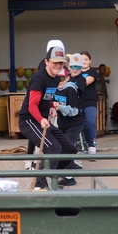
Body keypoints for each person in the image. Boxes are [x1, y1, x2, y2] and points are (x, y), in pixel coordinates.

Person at [17, 46, 77, 190]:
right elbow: (32, 105)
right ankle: (40, 185)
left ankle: (51, 175)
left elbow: (46, 96)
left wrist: (50, 105)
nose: (58, 66)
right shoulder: (39, 78)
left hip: (42, 121)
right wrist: (41, 119)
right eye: (55, 62)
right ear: (47, 62)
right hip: (30, 121)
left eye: (61, 63)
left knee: (69, 149)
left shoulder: (56, 79)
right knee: (54, 148)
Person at [53, 53, 87, 186]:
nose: (60, 80)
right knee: (60, 146)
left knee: (67, 147)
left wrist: (59, 107)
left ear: (67, 77)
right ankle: (70, 168)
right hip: (63, 123)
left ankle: (69, 177)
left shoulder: (72, 88)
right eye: (58, 78)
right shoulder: (56, 89)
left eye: (63, 77)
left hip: (75, 122)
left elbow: (73, 111)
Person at [79, 50, 102, 154]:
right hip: (77, 102)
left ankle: (92, 145)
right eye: (82, 59)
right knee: (79, 124)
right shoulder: (75, 71)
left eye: (86, 59)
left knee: (90, 122)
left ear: (90, 61)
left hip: (90, 101)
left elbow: (87, 82)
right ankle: (81, 145)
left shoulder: (93, 72)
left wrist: (73, 80)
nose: (84, 61)